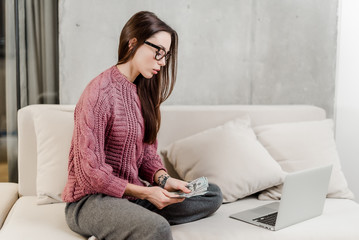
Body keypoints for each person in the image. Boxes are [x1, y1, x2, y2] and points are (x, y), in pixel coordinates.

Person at [62, 11, 223, 240]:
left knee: (212, 194)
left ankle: (133, 218)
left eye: (166, 55)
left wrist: (165, 181)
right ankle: (137, 220)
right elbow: (91, 173)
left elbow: (147, 155)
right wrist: (147, 192)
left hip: (133, 197)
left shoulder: (144, 93)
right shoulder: (98, 93)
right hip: (91, 201)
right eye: (158, 52)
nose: (163, 61)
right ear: (133, 43)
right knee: (157, 229)